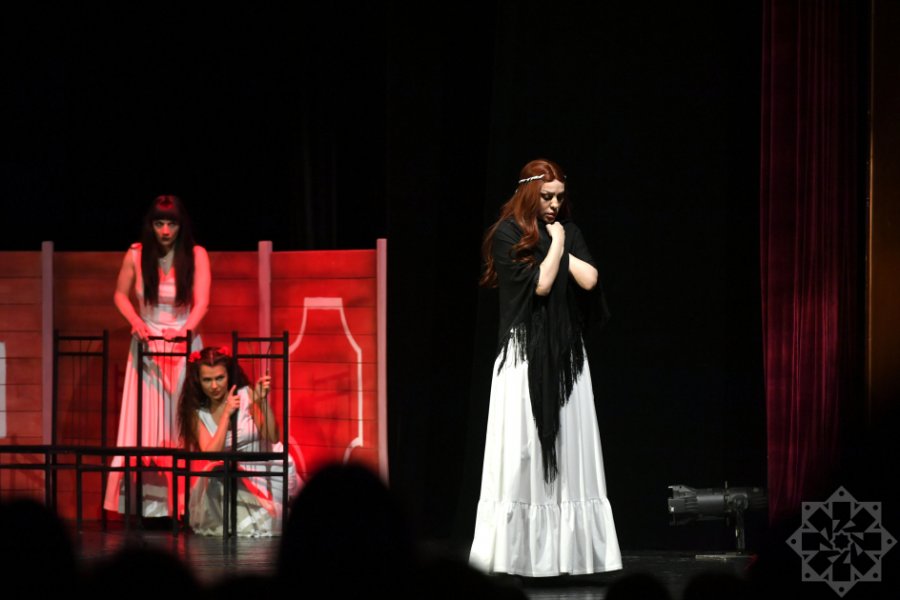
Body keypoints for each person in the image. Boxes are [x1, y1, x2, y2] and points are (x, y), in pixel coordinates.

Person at [469, 159, 622, 576]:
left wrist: (561, 241)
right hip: (523, 356)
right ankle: (518, 556)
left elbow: (589, 279)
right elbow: (540, 284)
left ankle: (568, 557)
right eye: (546, 197)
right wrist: (555, 245)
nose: (554, 205)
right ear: (528, 194)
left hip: (565, 357)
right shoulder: (508, 234)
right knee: (524, 453)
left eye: (559, 197)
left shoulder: (567, 230)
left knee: (570, 453)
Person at [103, 195, 210, 518]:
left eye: (171, 224)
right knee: (144, 425)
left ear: (181, 225)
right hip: (147, 345)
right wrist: (136, 322)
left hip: (182, 346)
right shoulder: (136, 254)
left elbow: (202, 302)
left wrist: (184, 333)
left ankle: (185, 506)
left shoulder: (196, 255)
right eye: (160, 223)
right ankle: (144, 508)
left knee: (181, 425)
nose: (165, 231)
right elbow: (119, 295)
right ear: (151, 225)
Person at [178, 346, 299, 537]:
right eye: (207, 380)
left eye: (220, 378)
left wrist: (261, 402)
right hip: (235, 475)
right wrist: (226, 415)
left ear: (229, 376)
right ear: (198, 381)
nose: (214, 386)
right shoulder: (197, 412)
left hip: (269, 468)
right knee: (215, 473)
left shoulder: (245, 395)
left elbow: (273, 436)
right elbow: (211, 455)